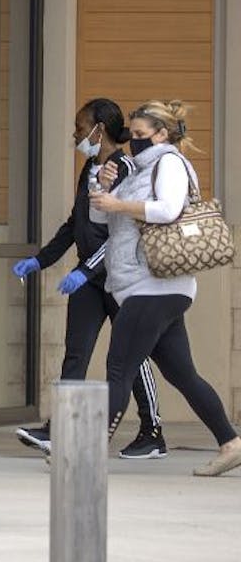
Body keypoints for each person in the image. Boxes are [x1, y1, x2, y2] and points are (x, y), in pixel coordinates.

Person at [88, 100, 241, 478]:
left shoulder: (169, 163)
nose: (133, 141)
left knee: (119, 367)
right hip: (151, 285)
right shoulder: (137, 170)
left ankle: (85, 452)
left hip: (153, 284)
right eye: (132, 135)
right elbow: (100, 216)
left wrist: (119, 203)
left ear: (162, 134)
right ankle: (231, 442)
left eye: (140, 135)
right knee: (183, 374)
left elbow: (169, 210)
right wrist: (102, 187)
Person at [12, 98, 164, 459]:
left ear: (100, 129)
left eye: (81, 128)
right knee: (75, 352)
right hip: (89, 280)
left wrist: (84, 270)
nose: (76, 135)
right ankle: (59, 429)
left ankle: (152, 430)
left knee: (133, 356)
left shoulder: (124, 168)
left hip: (121, 276)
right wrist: (40, 260)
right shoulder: (89, 169)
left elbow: (120, 234)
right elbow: (74, 224)